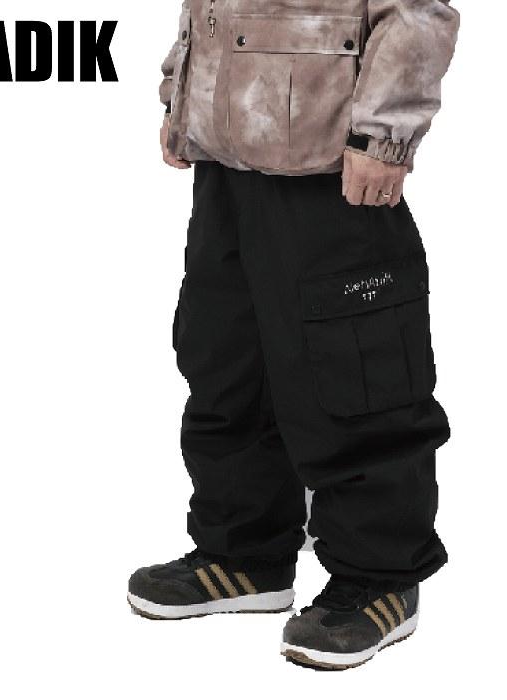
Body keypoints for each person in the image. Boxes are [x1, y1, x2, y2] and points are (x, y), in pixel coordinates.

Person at [127, 0, 460, 670]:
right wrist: (180, 99)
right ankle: (244, 553)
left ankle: (380, 575)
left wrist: (385, 135)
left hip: (330, 165)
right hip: (227, 156)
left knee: (355, 377)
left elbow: (418, 11)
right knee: (226, 364)